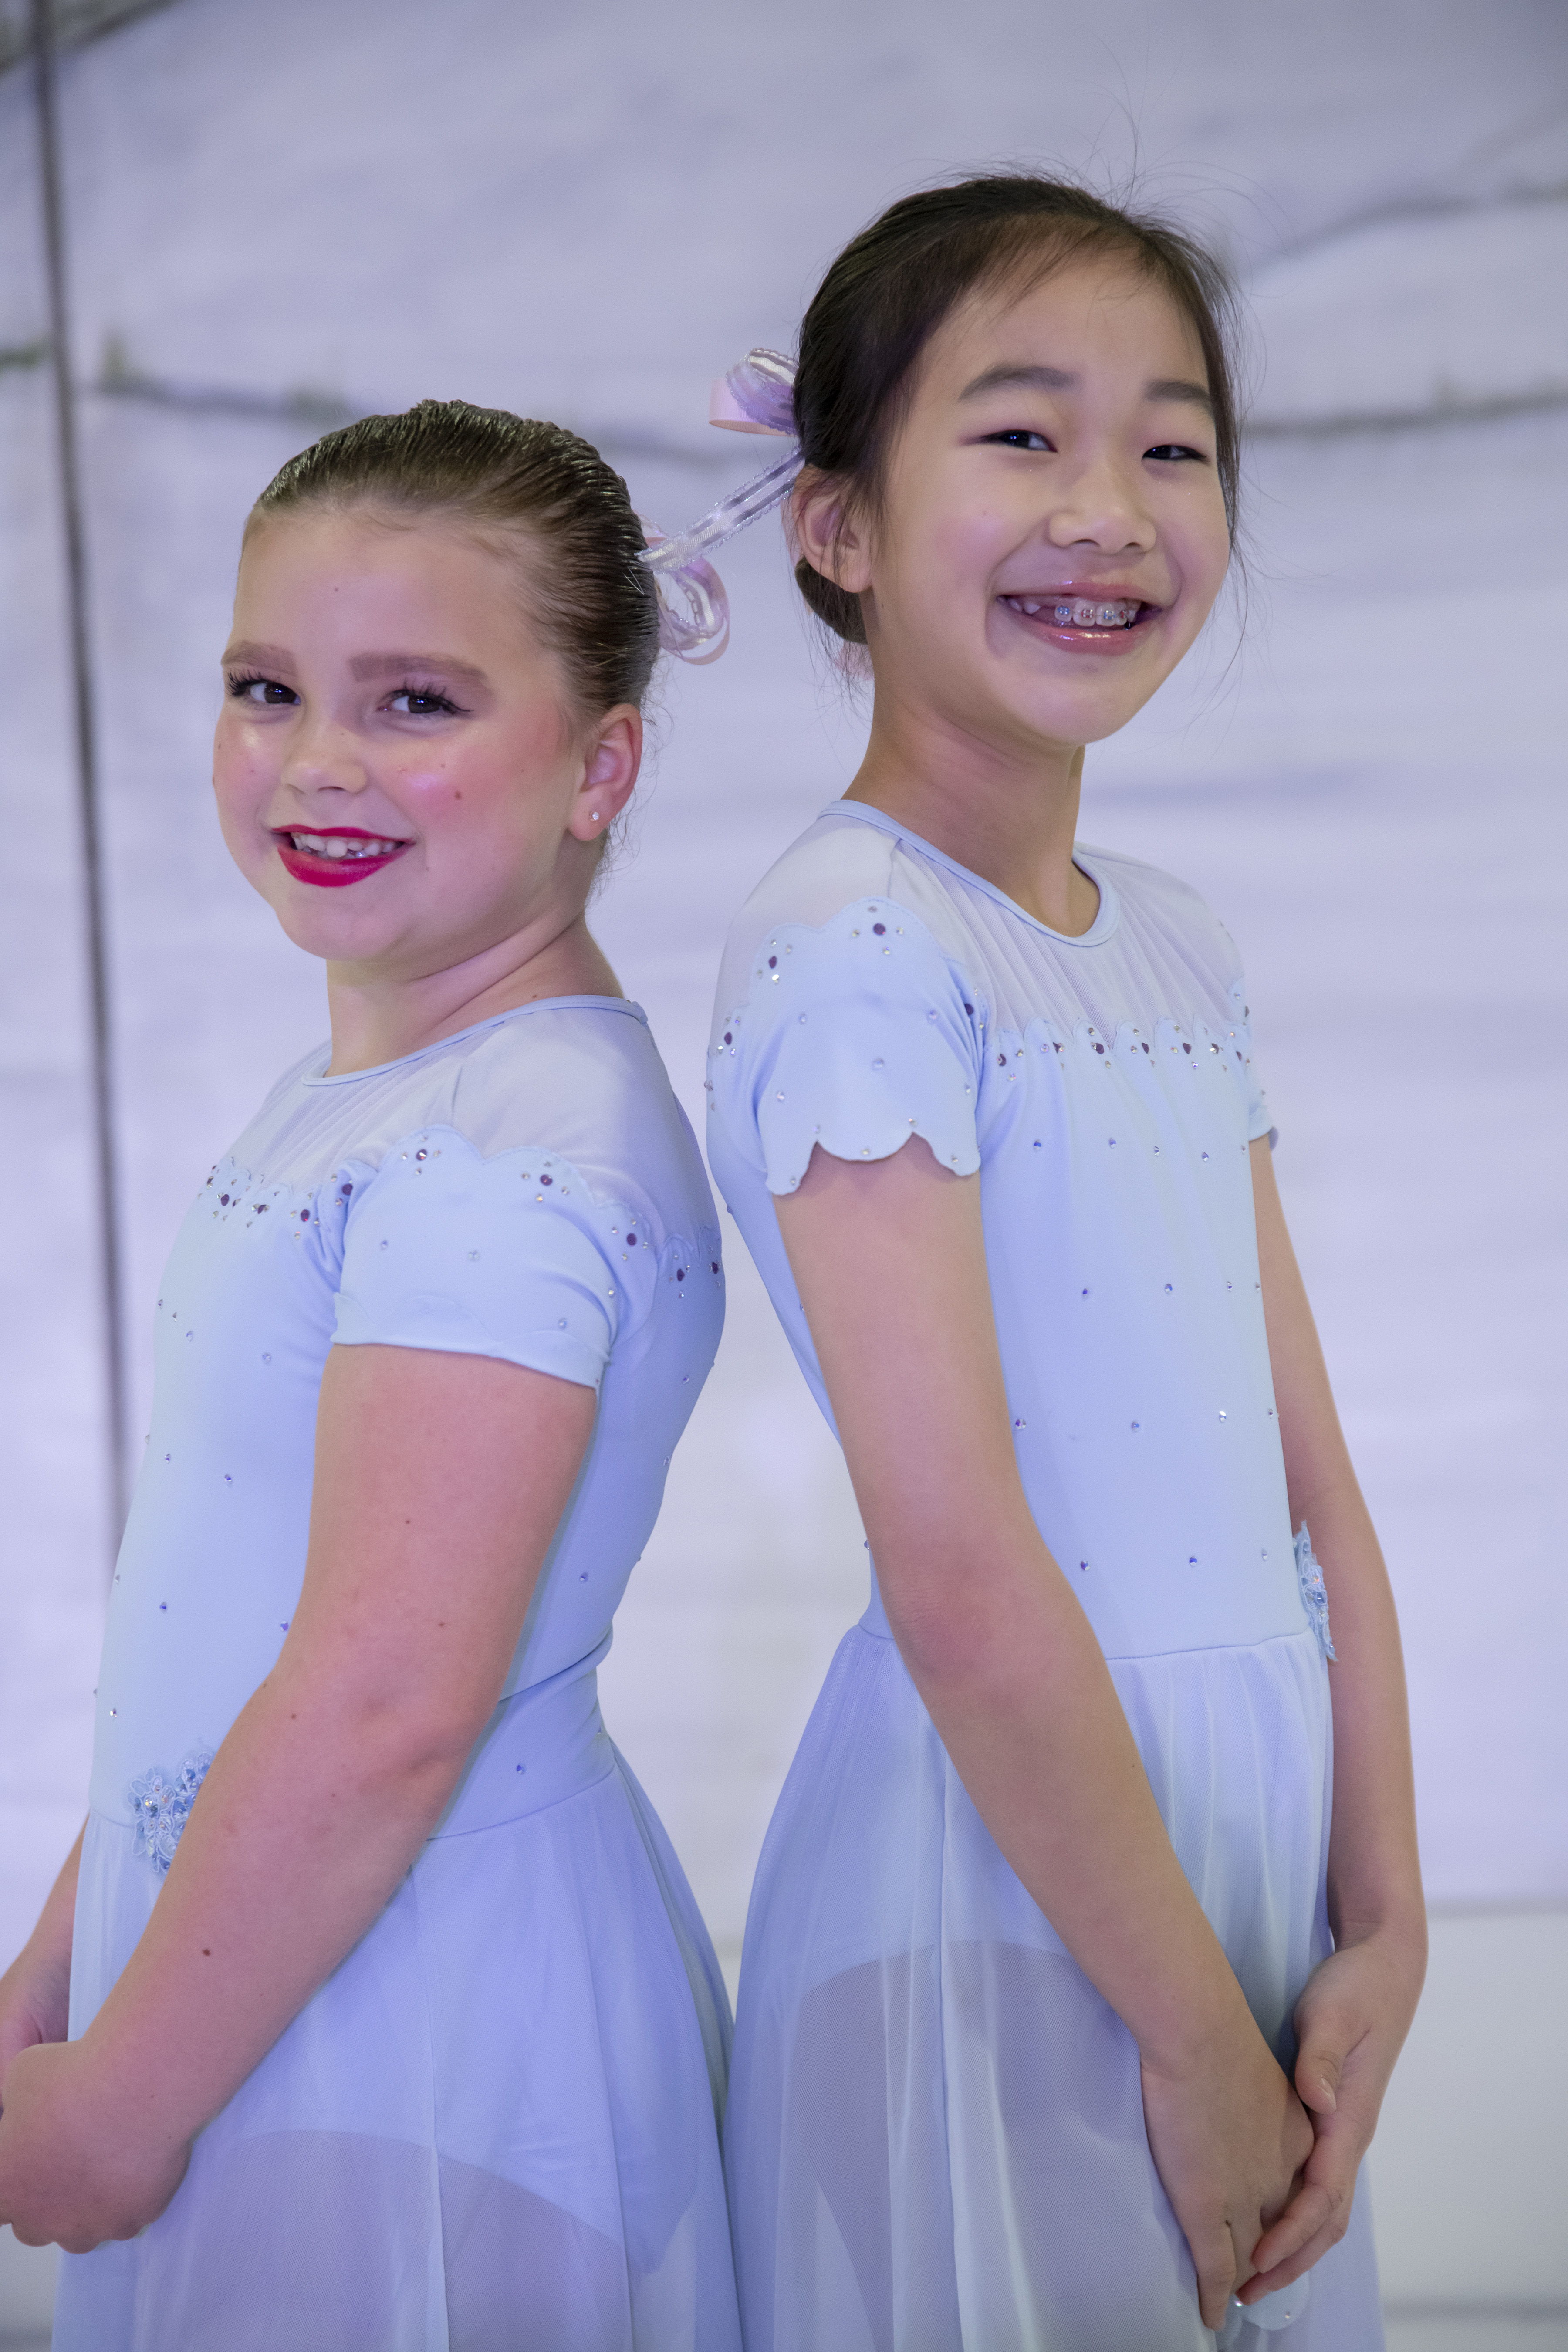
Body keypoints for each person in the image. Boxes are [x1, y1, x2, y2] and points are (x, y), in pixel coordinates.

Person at [697, 178, 1426, 2348]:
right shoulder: (856, 947)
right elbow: (959, 1570)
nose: (1107, 508)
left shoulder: (1179, 943)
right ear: (837, 525)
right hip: (1003, 1901)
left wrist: (1384, 1922)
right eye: (1022, 434)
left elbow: (1314, 1488)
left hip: (1247, 1887)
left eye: (1172, 445)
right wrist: (1191, 2039)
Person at [0, 401, 743, 2352]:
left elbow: (388, 1703)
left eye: (417, 701)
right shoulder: (400, 1089)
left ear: (602, 766)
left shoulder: (502, 1151)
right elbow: (241, 1623)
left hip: (399, 2027)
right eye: (268, 688)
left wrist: (119, 2104)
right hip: (281, 1952)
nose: (318, 760)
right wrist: (73, 1949)